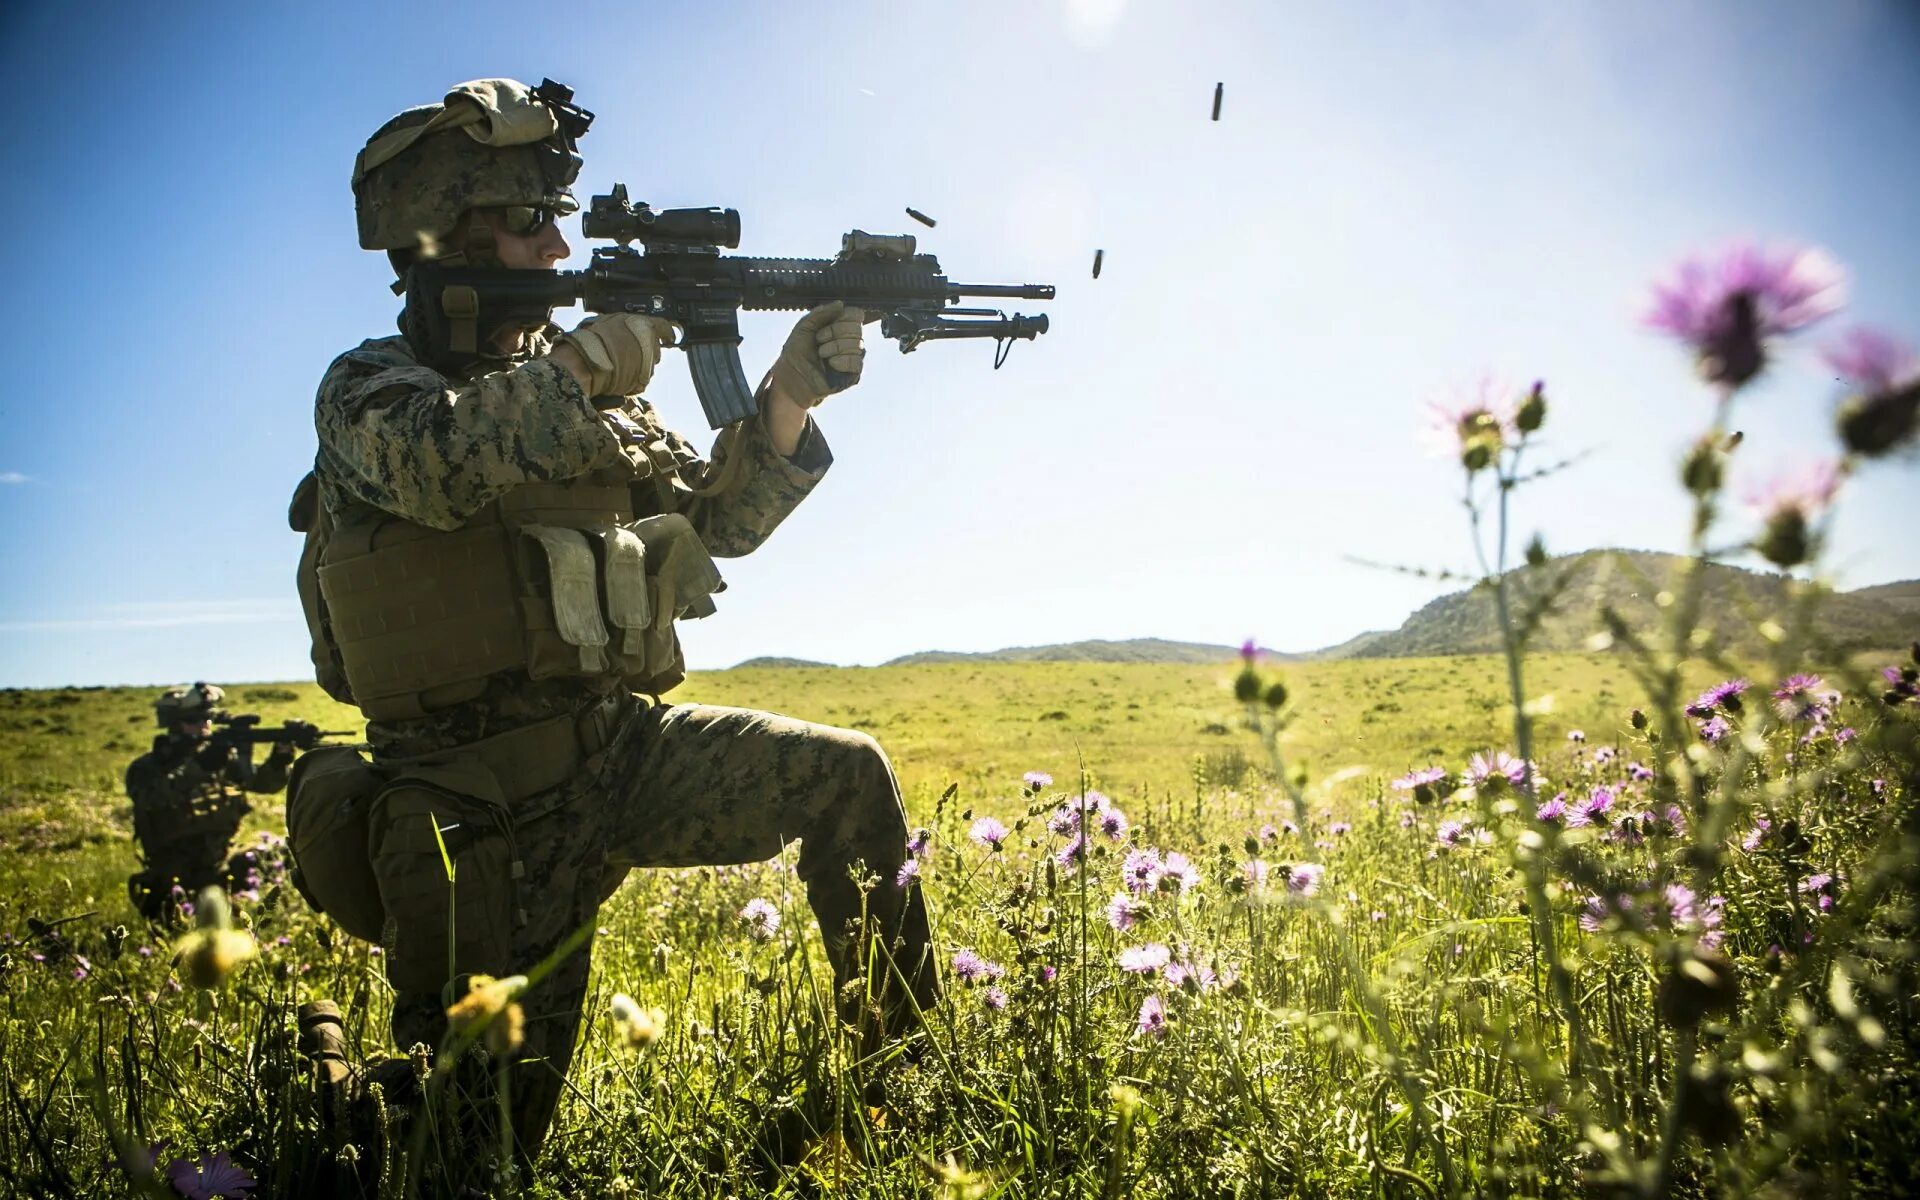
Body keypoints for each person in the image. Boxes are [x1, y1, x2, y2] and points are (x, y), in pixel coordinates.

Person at [288, 78, 937, 1173]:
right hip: (471, 807)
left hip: (621, 754)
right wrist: (584, 366)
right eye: (528, 221)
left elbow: (718, 520)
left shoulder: (591, 395)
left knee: (846, 777)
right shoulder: (368, 389)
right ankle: (339, 1082)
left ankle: (908, 1089)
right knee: (470, 1158)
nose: (556, 248)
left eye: (559, 220)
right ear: (442, 233)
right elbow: (442, 468)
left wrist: (787, 396)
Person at [126, 682, 292, 919]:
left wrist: (279, 761)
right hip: (174, 875)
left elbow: (260, 784)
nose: (203, 727)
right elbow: (152, 797)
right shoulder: (146, 767)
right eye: (193, 720)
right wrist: (200, 767)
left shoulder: (220, 758)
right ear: (173, 724)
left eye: (207, 719)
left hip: (220, 866)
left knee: (279, 854)